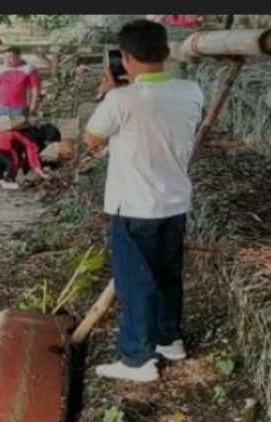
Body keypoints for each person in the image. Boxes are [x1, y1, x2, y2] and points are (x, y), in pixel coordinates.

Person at [83, 19, 204, 383]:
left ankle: (137, 357)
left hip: (135, 206)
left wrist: (109, 92)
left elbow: (91, 139)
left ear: (125, 57)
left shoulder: (120, 99)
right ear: (166, 53)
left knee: (136, 281)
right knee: (168, 274)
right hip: (175, 201)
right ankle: (169, 339)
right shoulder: (192, 91)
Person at [0, 116, 54, 190]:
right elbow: (32, 158)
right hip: (4, 146)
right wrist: (42, 174)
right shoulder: (24, 137)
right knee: (13, 161)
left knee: (0, 161)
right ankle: (9, 180)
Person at [0, 46, 41, 119]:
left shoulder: (28, 69)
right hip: (1, 105)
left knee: (17, 127)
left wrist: (33, 104)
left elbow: (34, 88)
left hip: (18, 106)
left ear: (19, 57)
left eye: (11, 57)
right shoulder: (2, 69)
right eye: (6, 58)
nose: (8, 60)